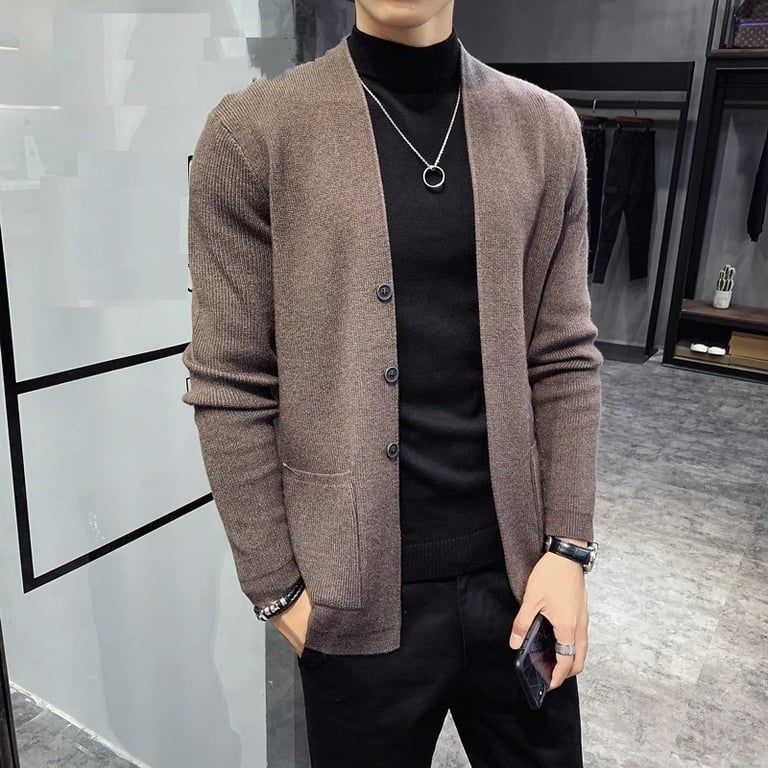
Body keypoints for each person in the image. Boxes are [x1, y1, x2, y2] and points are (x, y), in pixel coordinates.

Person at [181, 0, 603, 765]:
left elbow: (564, 354)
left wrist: (567, 552)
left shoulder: (546, 131)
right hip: (353, 599)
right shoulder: (254, 136)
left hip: (521, 583)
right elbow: (230, 381)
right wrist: (277, 589)